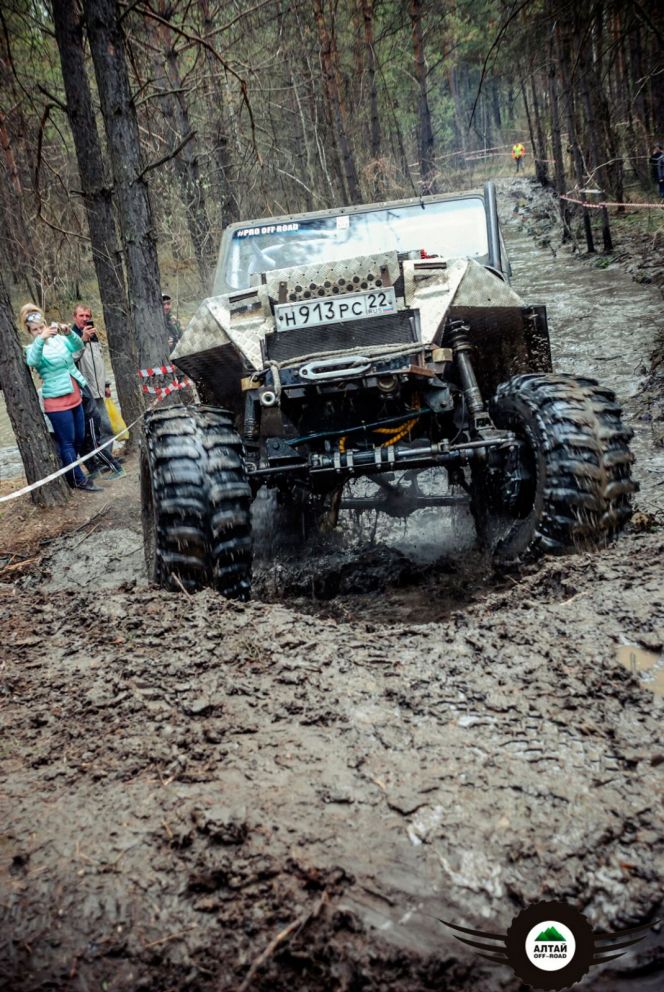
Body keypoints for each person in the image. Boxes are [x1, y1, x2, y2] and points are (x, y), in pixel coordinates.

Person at [21, 303, 101, 492]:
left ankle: (69, 470)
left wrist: (68, 332)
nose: (40, 331)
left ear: (46, 324)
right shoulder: (31, 348)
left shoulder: (59, 340)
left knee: (79, 437)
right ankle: (78, 479)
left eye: (41, 327)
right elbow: (32, 361)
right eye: (35, 330)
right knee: (67, 442)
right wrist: (41, 339)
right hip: (56, 401)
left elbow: (78, 345)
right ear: (30, 332)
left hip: (75, 394)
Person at [70, 304, 125, 480]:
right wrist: (82, 340)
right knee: (89, 432)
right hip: (84, 393)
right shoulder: (70, 337)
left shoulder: (94, 336)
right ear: (74, 317)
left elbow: (100, 362)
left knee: (106, 427)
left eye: (87, 315)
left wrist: (106, 384)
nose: (85, 319)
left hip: (99, 390)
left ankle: (106, 461)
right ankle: (96, 464)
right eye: (81, 315)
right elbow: (70, 361)